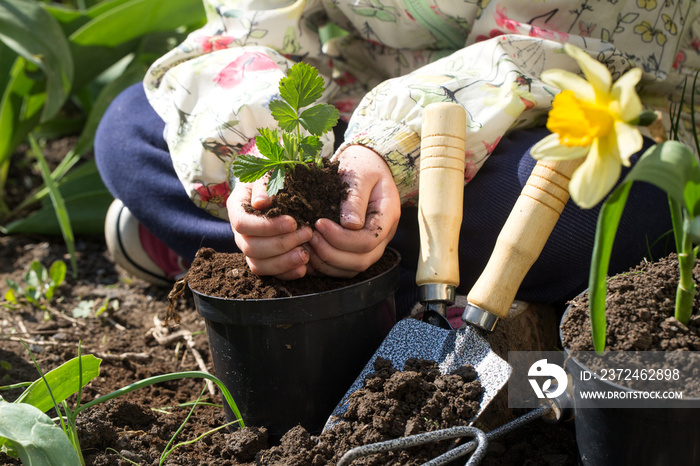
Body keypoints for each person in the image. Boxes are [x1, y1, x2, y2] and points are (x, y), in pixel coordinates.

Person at [95, 0, 700, 318]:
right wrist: (266, 165)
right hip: (360, 118)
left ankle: (257, 270)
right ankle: (363, 268)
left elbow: (555, 53)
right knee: (128, 129)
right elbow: (247, 37)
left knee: (622, 208)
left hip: (539, 116)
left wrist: (392, 150)